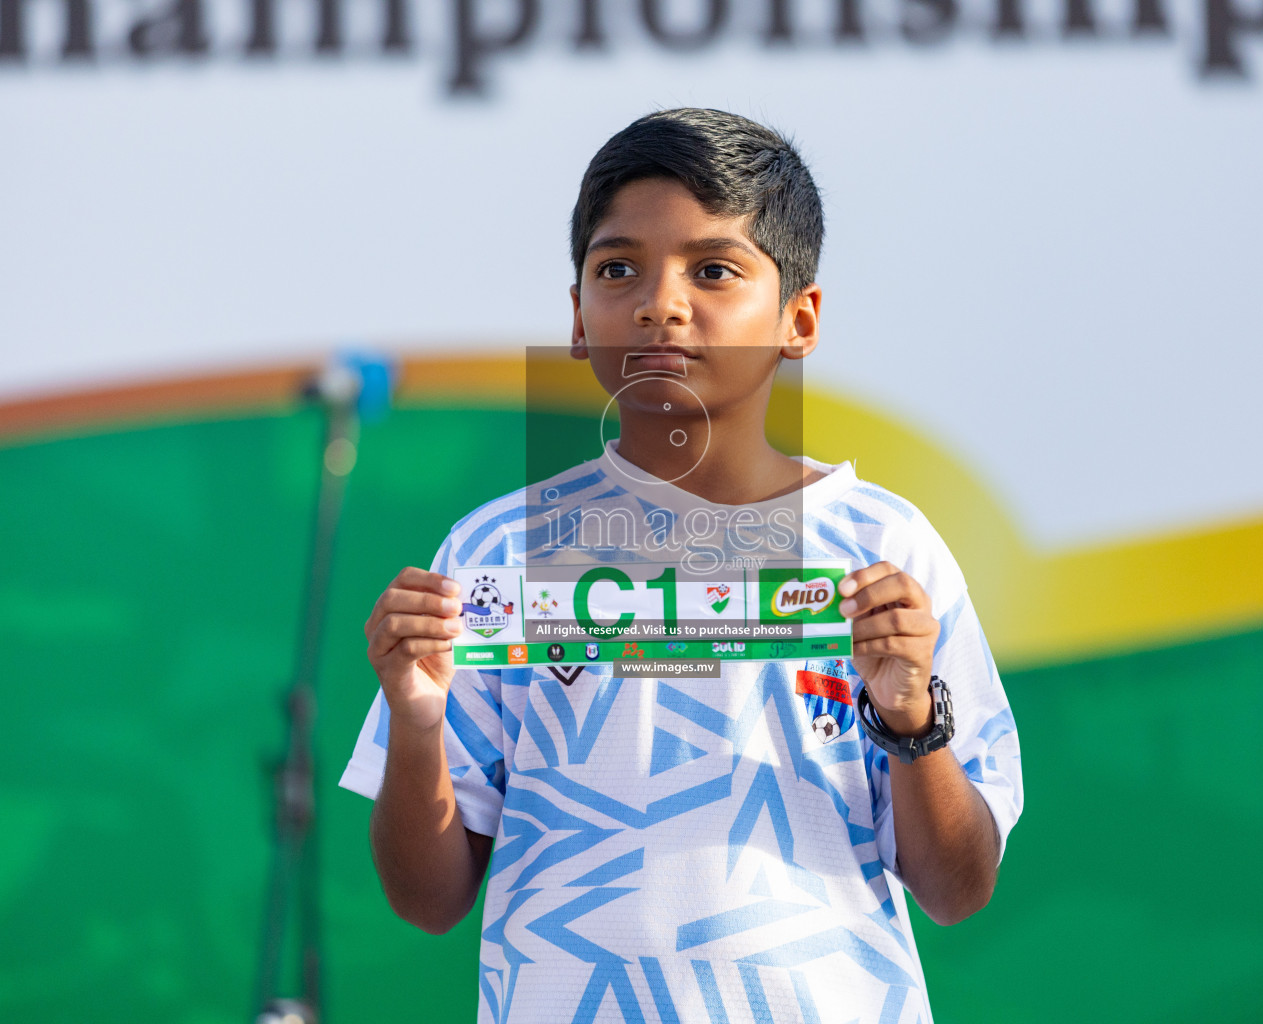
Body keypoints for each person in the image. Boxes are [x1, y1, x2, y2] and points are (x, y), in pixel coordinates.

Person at [340, 108, 1023, 1023]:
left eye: (713, 270)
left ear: (800, 318)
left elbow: (958, 888)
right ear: (578, 318)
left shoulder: (884, 550)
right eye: (618, 268)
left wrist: (911, 721)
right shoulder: (497, 552)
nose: (661, 302)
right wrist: (417, 723)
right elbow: (428, 901)